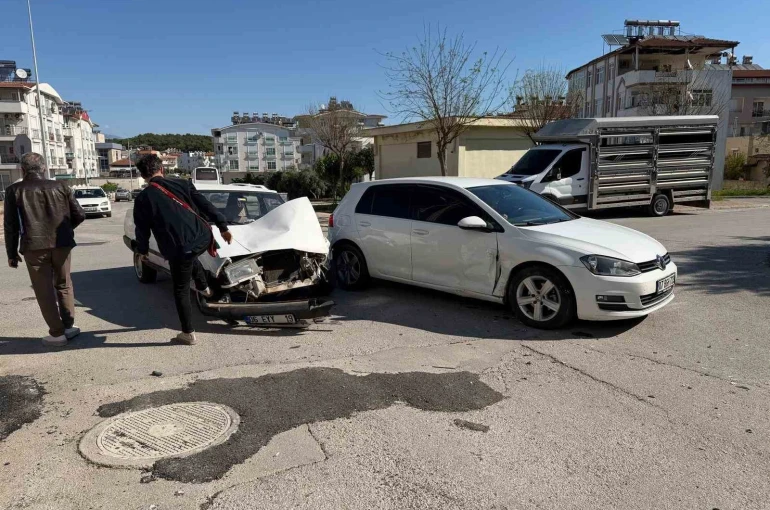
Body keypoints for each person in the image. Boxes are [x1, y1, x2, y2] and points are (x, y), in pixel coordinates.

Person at [133, 154, 232, 345]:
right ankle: (204, 286)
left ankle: (188, 333)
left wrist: (142, 251)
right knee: (190, 257)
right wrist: (223, 227)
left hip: (178, 248)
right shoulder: (183, 184)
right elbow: (206, 205)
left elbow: (142, 230)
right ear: (161, 169)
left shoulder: (143, 199)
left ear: (143, 175)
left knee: (181, 290)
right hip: (202, 238)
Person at [3, 153, 86, 347]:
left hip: (33, 246)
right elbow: (79, 214)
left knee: (44, 290)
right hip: (62, 244)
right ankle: (68, 326)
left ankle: (56, 333)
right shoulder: (61, 186)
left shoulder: (14, 190)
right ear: (44, 168)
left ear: (22, 170)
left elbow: (10, 226)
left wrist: (12, 254)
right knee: (64, 284)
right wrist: (65, 231)